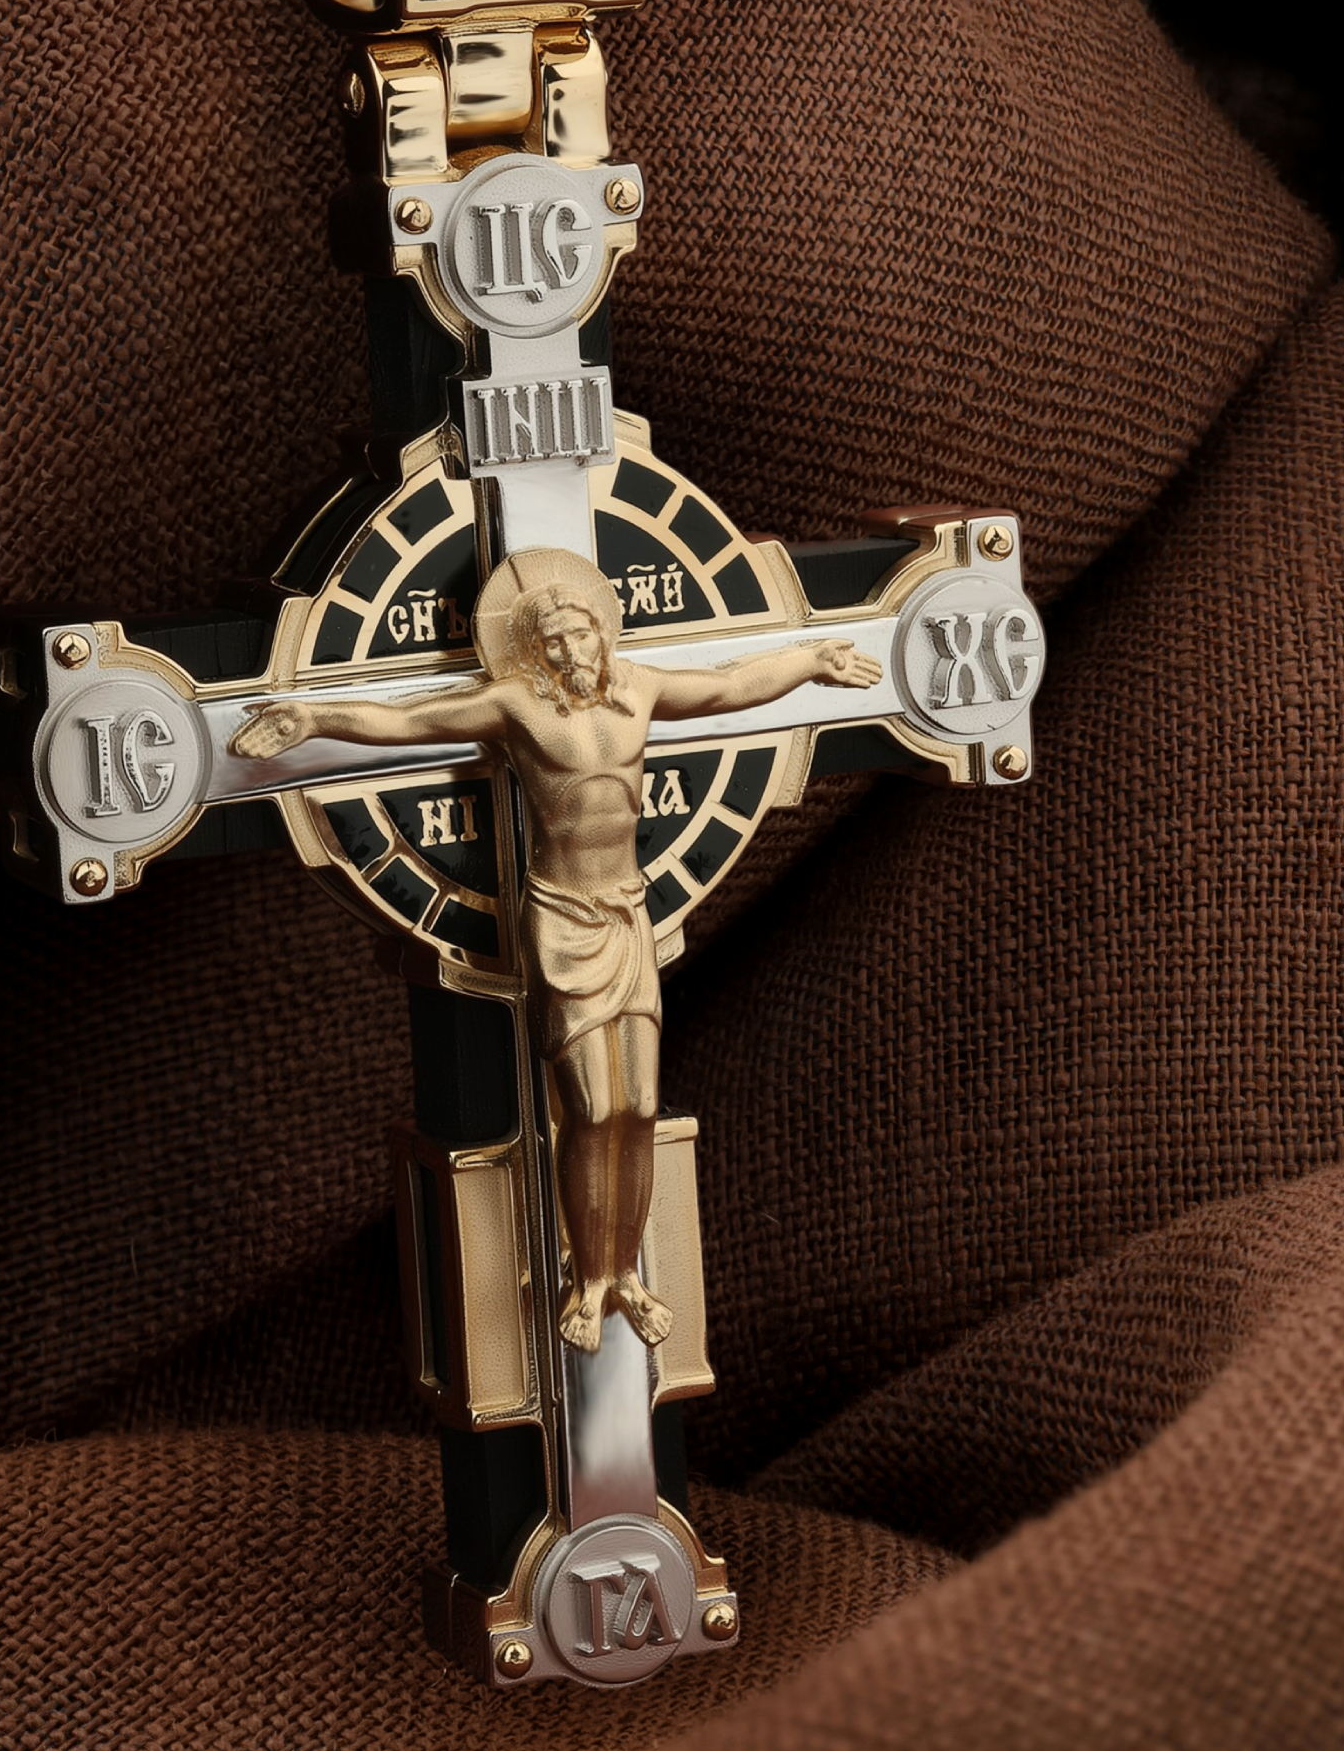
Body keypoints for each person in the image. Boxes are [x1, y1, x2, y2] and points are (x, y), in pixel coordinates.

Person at [231, 549, 881, 1351]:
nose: (573, 651)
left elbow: (730, 686)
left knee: (638, 1106)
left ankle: (627, 1274)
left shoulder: (639, 688)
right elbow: (411, 721)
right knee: (592, 1108)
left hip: (628, 912)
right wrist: (315, 718)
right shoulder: (517, 706)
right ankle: (591, 1279)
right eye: (555, 643)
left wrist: (812, 660)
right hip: (565, 918)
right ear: (535, 653)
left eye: (581, 634)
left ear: (604, 633)